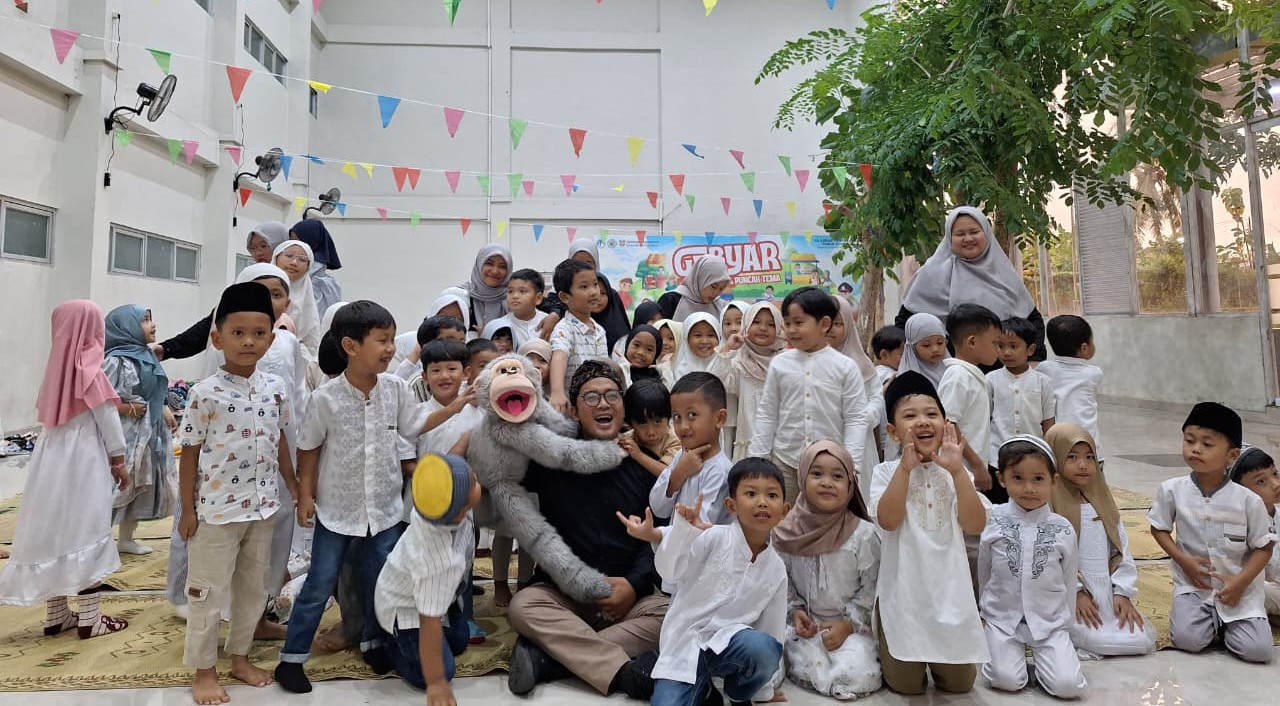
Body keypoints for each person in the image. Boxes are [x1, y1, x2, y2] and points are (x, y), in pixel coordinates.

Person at [276, 301, 440, 694]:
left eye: (391, 339)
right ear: (351, 346)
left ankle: (372, 642)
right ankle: (291, 659)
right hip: (337, 509)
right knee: (320, 583)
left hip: (383, 509)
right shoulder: (326, 398)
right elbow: (308, 449)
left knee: (378, 579)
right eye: (382, 340)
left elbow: (416, 424)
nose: (390, 348)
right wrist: (305, 494)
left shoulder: (396, 389)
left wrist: (458, 406)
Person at [506, 361, 666, 699]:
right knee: (523, 606)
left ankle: (549, 660)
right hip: (565, 596)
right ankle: (621, 671)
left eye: (612, 396)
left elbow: (660, 538)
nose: (603, 404)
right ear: (575, 411)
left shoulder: (643, 464)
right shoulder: (552, 457)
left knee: (673, 617)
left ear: (623, 406)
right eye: (591, 398)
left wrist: (632, 585)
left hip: (626, 599)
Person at [176, 281, 295, 704]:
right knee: (206, 592)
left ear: (271, 339)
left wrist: (294, 484)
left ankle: (240, 658)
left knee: (253, 589)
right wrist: (187, 510)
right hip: (215, 513)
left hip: (262, 508)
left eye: (259, 333)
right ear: (217, 338)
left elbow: (281, 441)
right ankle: (204, 670)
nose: (248, 342)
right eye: (238, 333)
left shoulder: (275, 388)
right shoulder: (204, 393)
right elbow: (189, 453)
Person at [0, 301, 130, 639]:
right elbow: (109, 422)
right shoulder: (91, 372)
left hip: (49, 464)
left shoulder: (54, 373)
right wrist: (118, 461)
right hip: (83, 463)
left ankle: (57, 615)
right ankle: (91, 619)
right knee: (86, 530)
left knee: (56, 531)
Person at [618, 459, 789, 706]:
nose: (762, 502)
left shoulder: (776, 569)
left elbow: (773, 630)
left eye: (772, 495)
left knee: (765, 648)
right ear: (731, 505)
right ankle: (705, 691)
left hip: (731, 646)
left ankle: (736, 693)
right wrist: (683, 532)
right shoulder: (713, 537)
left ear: (784, 510)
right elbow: (669, 571)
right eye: (751, 494)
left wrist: (763, 691)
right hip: (685, 645)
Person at [870, 371, 988, 695]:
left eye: (931, 414)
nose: (923, 421)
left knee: (960, 685)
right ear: (893, 432)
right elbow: (888, 520)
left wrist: (959, 471)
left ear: (945, 424)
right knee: (907, 687)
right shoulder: (885, 473)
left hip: (951, 595)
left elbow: (975, 524)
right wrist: (905, 469)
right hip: (903, 596)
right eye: (910, 416)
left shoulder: (956, 473)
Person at [1148, 402, 1276, 663]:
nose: (1196, 449)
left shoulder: (1247, 500)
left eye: (1207, 444)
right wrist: (1183, 560)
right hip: (1195, 586)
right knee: (1187, 641)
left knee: (1258, 652)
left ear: (1231, 455)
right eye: (1189, 440)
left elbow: (1264, 547)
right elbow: (1158, 528)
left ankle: (1228, 625)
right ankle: (1212, 622)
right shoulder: (1172, 490)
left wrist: (1240, 583)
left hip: (1240, 590)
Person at [979, 436, 1086, 698]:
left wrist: (1065, 626)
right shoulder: (993, 521)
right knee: (1006, 680)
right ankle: (1006, 654)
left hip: (1049, 623)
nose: (1028, 488)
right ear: (1002, 478)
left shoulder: (1062, 528)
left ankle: (1049, 661)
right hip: (1002, 620)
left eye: (1038, 479)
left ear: (1053, 481)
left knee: (1068, 686)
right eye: (1017, 478)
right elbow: (984, 573)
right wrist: (986, 614)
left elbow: (1069, 580)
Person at [774, 441, 882, 701]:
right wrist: (796, 612)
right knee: (774, 661)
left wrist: (848, 625)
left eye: (837, 476)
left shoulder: (863, 535)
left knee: (857, 669)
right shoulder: (785, 532)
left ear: (850, 485)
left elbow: (872, 588)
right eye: (816, 473)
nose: (826, 483)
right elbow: (782, 581)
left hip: (852, 629)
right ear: (802, 479)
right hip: (805, 626)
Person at [374, 454, 482, 702]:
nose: (477, 478)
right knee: (442, 670)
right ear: (460, 510)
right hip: (406, 610)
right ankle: (392, 645)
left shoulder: (438, 507)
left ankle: (414, 645)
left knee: (460, 640)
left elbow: (442, 472)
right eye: (474, 481)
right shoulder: (436, 560)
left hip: (425, 596)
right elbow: (428, 619)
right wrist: (436, 682)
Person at [748, 287, 869, 502]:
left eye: (799, 322)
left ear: (824, 324)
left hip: (830, 467)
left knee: (826, 519)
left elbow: (856, 417)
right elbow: (768, 413)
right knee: (784, 517)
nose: (792, 330)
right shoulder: (780, 364)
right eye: (787, 323)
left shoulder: (845, 367)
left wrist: (852, 463)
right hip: (786, 462)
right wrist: (758, 458)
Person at [1047, 423, 1157, 657]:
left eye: (1089, 457)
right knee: (1098, 640)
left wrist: (1122, 593)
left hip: (1105, 594)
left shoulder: (1103, 501)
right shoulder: (1048, 507)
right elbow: (1050, 560)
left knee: (1139, 640)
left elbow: (1121, 550)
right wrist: (1076, 594)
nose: (1083, 465)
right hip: (1067, 596)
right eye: (1072, 457)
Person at [896, 205, 1045, 359]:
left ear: (986, 233)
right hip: (946, 367)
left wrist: (1034, 359)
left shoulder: (1003, 273)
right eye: (959, 234)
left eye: (974, 232)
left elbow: (1032, 320)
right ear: (949, 238)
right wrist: (902, 363)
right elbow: (905, 323)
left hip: (1002, 367)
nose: (968, 239)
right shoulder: (931, 273)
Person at [152, 221, 290, 362]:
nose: (258, 253)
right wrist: (167, 349)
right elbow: (212, 325)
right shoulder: (246, 281)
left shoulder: (299, 292)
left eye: (264, 245)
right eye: (253, 247)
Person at [647, 373, 733, 594]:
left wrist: (659, 536)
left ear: (720, 418)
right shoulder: (681, 457)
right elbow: (658, 507)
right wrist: (678, 474)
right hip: (678, 565)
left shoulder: (720, 471)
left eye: (692, 415)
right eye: (676, 417)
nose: (683, 426)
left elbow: (700, 527)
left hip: (703, 574)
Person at [102, 304, 176, 556]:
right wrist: (128, 408)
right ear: (126, 327)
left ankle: (126, 538)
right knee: (116, 485)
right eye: (145, 320)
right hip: (125, 433)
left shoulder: (148, 355)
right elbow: (100, 399)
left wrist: (163, 407)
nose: (152, 325)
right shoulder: (115, 360)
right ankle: (96, 539)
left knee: (138, 486)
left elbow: (155, 389)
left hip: (149, 432)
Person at [937, 303, 1001, 496]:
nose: (998, 350)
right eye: (995, 343)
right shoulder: (957, 376)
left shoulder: (971, 375)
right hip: (961, 469)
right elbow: (948, 423)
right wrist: (976, 465)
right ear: (972, 342)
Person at [829, 296, 884, 495]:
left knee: (858, 492)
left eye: (837, 323)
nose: (830, 329)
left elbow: (876, 399)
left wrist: (860, 419)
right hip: (822, 438)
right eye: (825, 323)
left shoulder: (861, 364)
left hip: (859, 441)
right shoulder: (807, 363)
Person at [988, 317, 1056, 465]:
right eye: (1000, 346)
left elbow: (1048, 421)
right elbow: (986, 418)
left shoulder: (1043, 382)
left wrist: (1049, 453)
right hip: (997, 455)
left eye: (1013, 346)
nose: (1006, 352)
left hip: (1034, 454)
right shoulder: (990, 380)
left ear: (1030, 350)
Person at [722, 302, 785, 462]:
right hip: (749, 444)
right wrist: (728, 349)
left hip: (782, 446)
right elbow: (717, 382)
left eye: (771, 324)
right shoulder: (739, 362)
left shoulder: (786, 362)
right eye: (756, 322)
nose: (763, 328)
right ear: (746, 324)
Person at [1037, 315, 1104, 455]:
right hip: (1088, 440)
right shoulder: (1094, 373)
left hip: (1057, 439)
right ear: (1084, 348)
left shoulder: (1044, 369)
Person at [1227, 446, 1280, 622]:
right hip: (1251, 586)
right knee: (1259, 591)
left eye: (1275, 473)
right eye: (1261, 481)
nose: (1276, 484)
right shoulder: (1238, 525)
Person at [548, 258, 607, 414]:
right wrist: (557, 392)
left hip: (597, 405)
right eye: (584, 286)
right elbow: (559, 357)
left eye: (595, 284)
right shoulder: (564, 328)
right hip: (574, 409)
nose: (594, 291)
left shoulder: (600, 330)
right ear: (565, 297)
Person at [272, 240, 322, 359]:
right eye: (289, 256)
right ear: (276, 257)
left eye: (302, 259)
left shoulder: (307, 297)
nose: (294, 263)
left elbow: (313, 343)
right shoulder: (257, 284)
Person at [620, 379, 680, 478]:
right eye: (642, 423)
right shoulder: (627, 440)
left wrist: (639, 455)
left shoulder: (675, 441)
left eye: (657, 422)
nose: (651, 432)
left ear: (669, 417)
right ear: (630, 423)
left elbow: (667, 475)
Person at [483, 268, 548, 350]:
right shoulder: (495, 326)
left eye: (522, 291)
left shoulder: (549, 323)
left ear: (538, 298)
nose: (515, 296)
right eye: (510, 291)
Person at [290, 219, 344, 316]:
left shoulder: (323, 283)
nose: (293, 247)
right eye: (291, 242)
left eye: (298, 242)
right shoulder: (294, 274)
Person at [658, 255, 730, 322]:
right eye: (713, 286)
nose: (716, 293)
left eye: (721, 289)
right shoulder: (671, 301)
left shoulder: (721, 306)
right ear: (700, 279)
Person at [460, 243, 513, 335]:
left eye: (502, 266)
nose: (495, 271)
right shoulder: (461, 297)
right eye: (489, 264)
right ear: (479, 264)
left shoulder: (513, 299)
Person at [871, 325, 905, 461]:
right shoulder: (890, 375)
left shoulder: (874, 373)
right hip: (887, 436)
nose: (906, 358)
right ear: (884, 355)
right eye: (902, 355)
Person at [670, 312, 729, 384]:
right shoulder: (676, 371)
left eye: (710, 335)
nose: (704, 341)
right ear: (686, 338)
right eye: (698, 335)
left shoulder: (726, 365)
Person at [897, 312, 949, 388]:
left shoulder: (952, 370)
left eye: (940, 343)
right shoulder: (906, 380)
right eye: (926, 345)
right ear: (912, 347)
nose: (935, 349)